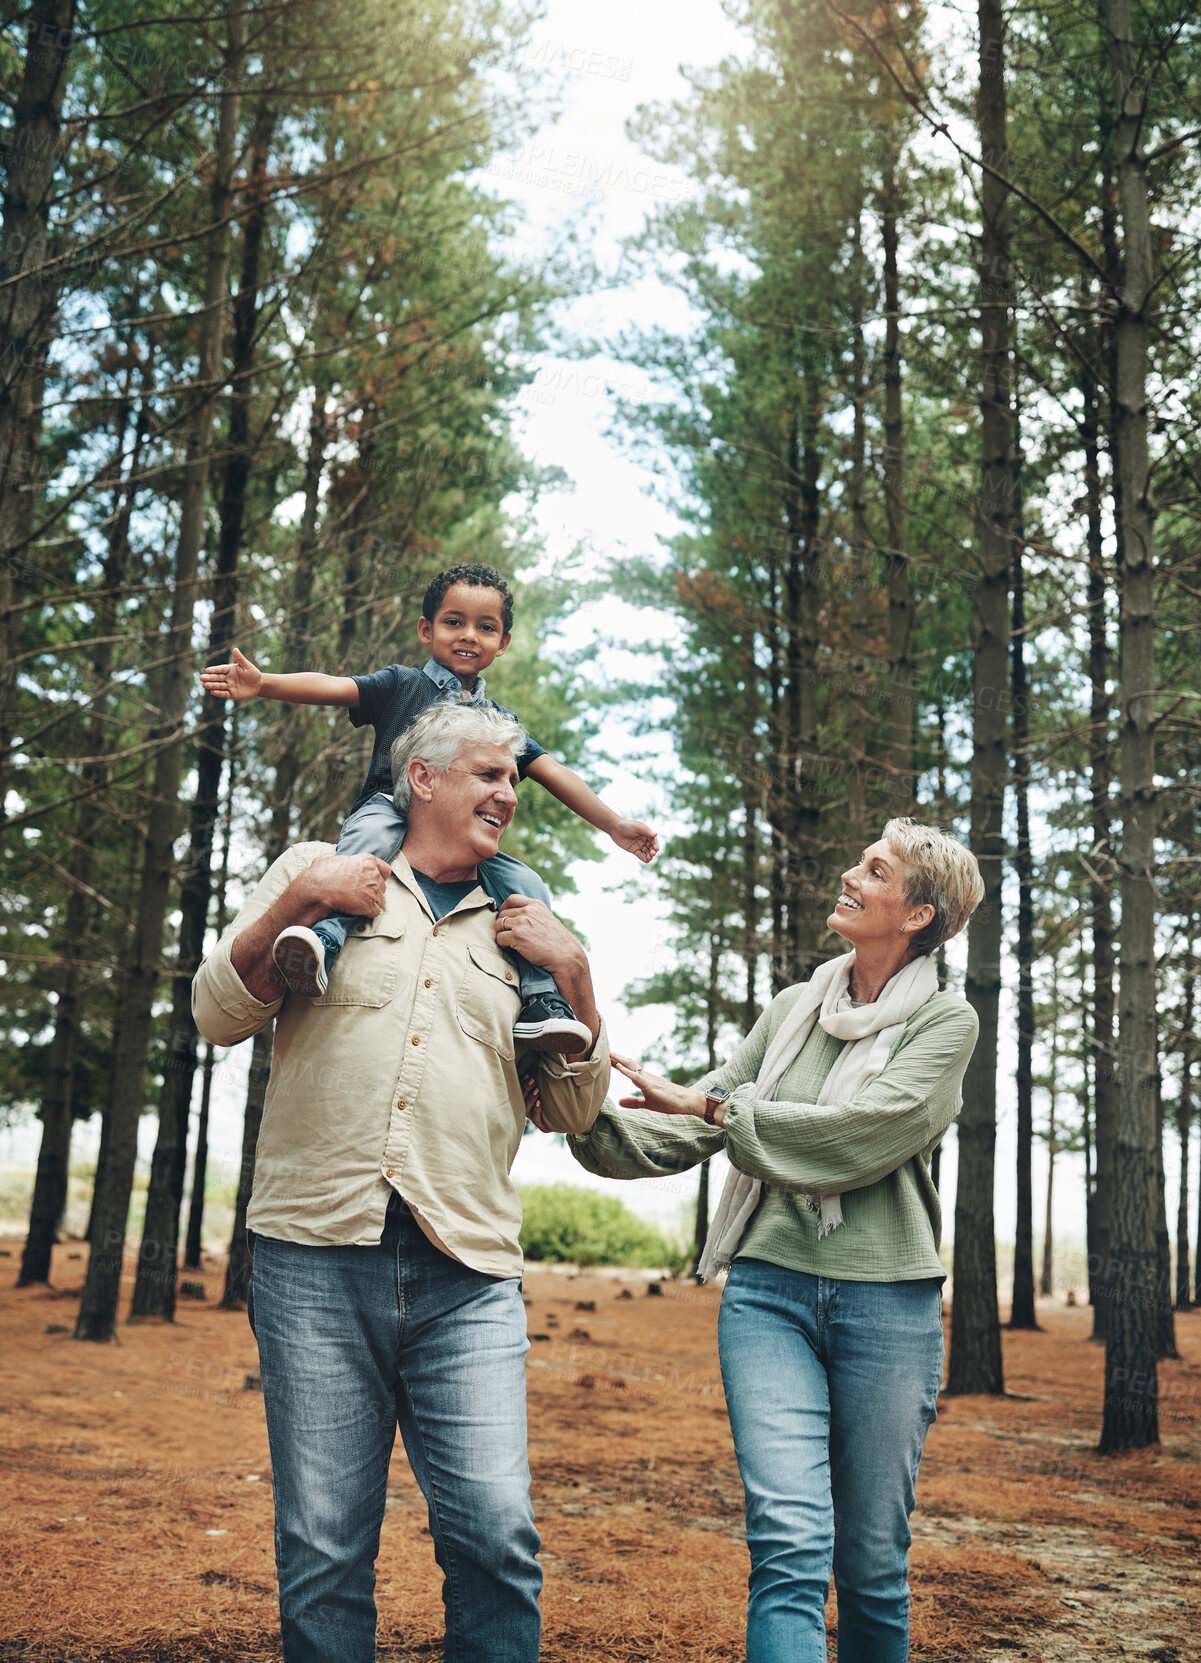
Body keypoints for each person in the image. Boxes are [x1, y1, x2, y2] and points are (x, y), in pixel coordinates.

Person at [192, 703, 611, 1663]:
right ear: (422, 778)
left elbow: (578, 1114)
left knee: (496, 1533)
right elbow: (217, 1012)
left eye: (514, 778)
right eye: (488, 774)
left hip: (466, 1270)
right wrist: (299, 901)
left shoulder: (531, 925)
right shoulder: (320, 873)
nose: (510, 792)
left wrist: (577, 977)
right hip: (313, 1259)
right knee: (324, 1549)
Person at [564, 818, 984, 1663]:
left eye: (874, 869)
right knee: (788, 1543)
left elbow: (859, 1134)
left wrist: (716, 1106)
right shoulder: (794, 1008)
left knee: (868, 1563)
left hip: (888, 1304)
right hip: (767, 1295)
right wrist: (580, 1116)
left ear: (916, 913)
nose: (849, 873)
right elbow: (695, 1125)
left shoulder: (945, 1022)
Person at [200, 560, 658, 1054]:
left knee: (526, 886)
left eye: (486, 628)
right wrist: (264, 682)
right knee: (366, 849)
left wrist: (613, 824)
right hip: (388, 808)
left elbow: (555, 773)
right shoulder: (402, 685)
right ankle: (324, 941)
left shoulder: (500, 723)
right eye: (453, 621)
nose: (468, 636)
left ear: (502, 643)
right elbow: (337, 686)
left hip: (458, 838)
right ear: (427, 629)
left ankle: (541, 1002)